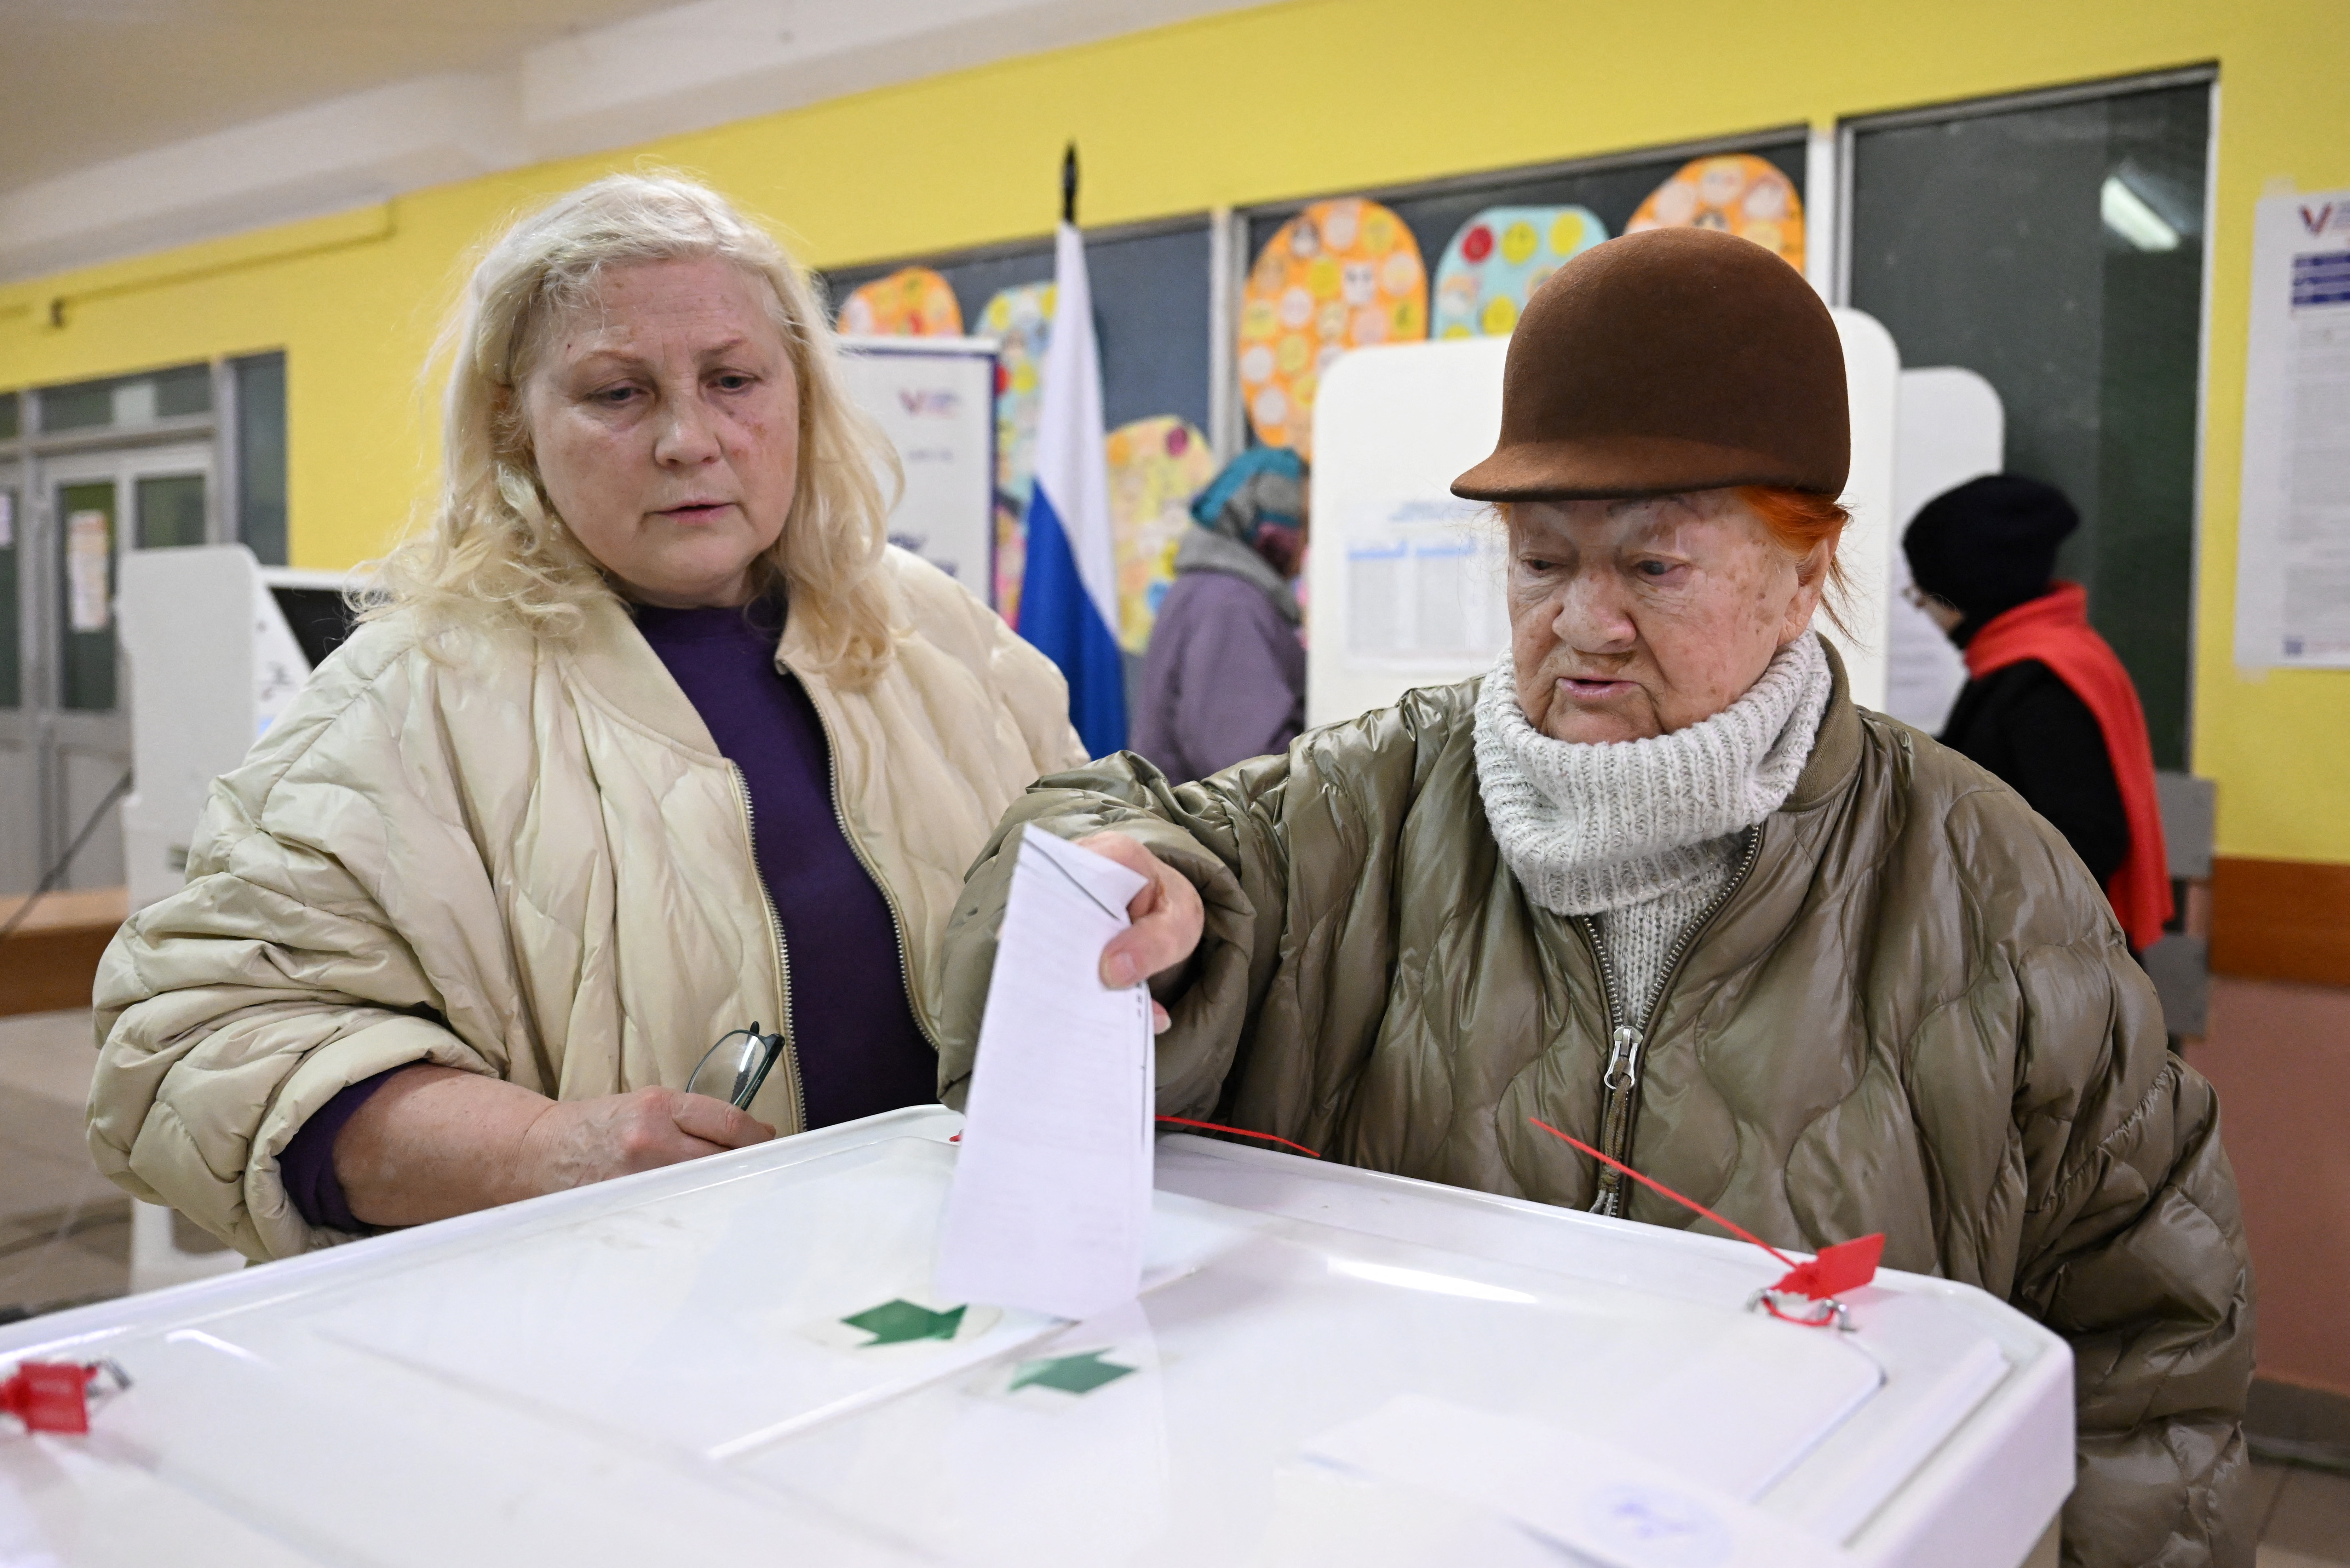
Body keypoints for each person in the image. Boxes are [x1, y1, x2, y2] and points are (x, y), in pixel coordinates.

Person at [937, 230, 2251, 1564]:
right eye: (1541, 559)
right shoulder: (1368, 804)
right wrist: (1118, 888)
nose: (1583, 621)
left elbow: (2156, 1349)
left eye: (1652, 565)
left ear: (1804, 575)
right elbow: (1092, 838)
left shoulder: (1989, 882)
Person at [87, 174, 1085, 1262]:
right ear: (513, 424)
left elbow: (1104, 864)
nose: (688, 439)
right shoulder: (408, 700)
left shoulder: (938, 638)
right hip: (611, 1353)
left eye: (734, 379)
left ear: (799, 391)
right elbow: (189, 1048)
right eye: (618, 394)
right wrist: (542, 1152)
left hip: (965, 1295)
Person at [1903, 475, 2173, 951]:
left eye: (1925, 593)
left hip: (2051, 971)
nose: (1924, 608)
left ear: (1965, 588)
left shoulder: (2039, 683)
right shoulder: (2046, 657)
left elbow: (2082, 838)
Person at [1129, 447, 1308, 782]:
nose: (1310, 542)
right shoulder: (1232, 605)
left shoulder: (1207, 588)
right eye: (1305, 523)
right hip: (1206, 832)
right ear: (1274, 530)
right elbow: (1248, 770)